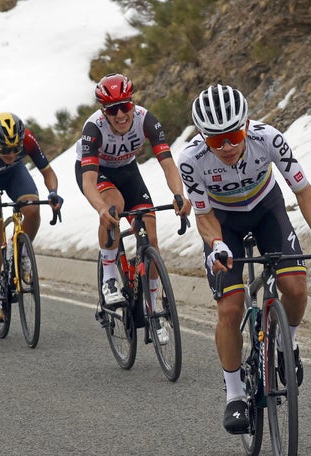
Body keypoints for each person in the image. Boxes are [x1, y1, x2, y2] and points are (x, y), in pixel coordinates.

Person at [177, 83, 311, 434]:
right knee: (231, 307)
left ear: (247, 124)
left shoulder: (268, 139)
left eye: (233, 135)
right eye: (215, 139)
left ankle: (287, 342)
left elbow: (303, 190)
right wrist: (217, 245)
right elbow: (203, 216)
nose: (226, 146)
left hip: (267, 210)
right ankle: (235, 394)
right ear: (202, 137)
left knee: (294, 286)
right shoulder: (191, 161)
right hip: (223, 224)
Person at [75, 73, 191, 343]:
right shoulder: (94, 128)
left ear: (132, 104)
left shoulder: (146, 120)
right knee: (115, 205)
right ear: (104, 111)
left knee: (150, 235)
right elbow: (89, 180)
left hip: (127, 170)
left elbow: (168, 164)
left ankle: (152, 308)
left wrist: (178, 194)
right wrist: (101, 208)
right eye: (112, 110)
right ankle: (110, 278)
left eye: (124, 107)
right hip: (97, 172)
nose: (120, 115)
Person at [0, 112, 63, 322]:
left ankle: (20, 251)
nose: (11, 154)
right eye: (5, 150)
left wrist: (53, 192)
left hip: (14, 176)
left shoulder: (28, 139)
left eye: (16, 149)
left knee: (32, 209)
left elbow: (48, 172)